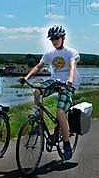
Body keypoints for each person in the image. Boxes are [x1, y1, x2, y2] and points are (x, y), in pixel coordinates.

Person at [19, 25, 80, 160]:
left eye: (57, 38)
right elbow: (38, 66)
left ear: (63, 38)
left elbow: (72, 66)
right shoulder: (49, 54)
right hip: (55, 80)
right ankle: (38, 121)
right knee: (37, 91)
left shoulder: (71, 52)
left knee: (60, 112)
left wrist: (70, 79)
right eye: (52, 39)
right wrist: (26, 77)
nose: (54, 41)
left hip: (68, 84)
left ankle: (66, 144)